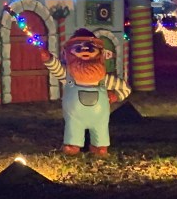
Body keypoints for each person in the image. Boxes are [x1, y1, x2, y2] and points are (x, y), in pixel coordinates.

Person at [40, 28, 131, 157]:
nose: (84, 51)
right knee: (73, 127)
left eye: (90, 49)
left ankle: (99, 146)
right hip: (75, 117)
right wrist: (48, 59)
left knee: (100, 129)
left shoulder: (104, 79)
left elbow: (126, 88)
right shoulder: (68, 76)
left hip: (99, 117)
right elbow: (57, 68)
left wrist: (115, 95)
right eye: (78, 49)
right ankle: (73, 144)